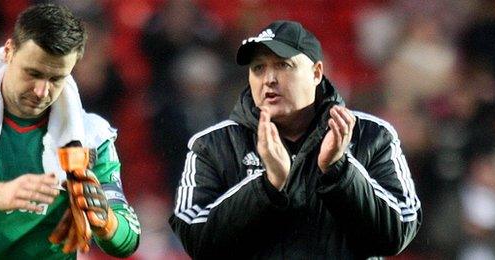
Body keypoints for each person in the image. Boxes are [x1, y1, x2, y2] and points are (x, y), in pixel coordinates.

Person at [169, 20, 421, 258]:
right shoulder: (212, 145)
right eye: (259, 68)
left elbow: (398, 233)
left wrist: (339, 171)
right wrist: (268, 185)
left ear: (316, 73)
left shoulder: (371, 135)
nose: (269, 79)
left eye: (283, 65)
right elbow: (196, 241)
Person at [0, 4, 140, 259]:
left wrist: (104, 222)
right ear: (9, 52)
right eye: (33, 73)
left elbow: (128, 237)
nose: (41, 91)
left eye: (56, 79)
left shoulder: (91, 137)